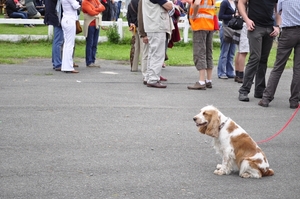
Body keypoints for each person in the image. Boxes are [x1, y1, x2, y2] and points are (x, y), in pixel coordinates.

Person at [258, 0, 300, 109]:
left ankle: (266, 98)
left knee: (278, 66)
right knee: (298, 69)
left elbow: (279, 11)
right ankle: (294, 100)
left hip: (288, 31)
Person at [238, 0, 280, 102]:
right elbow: (241, 3)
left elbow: (278, 9)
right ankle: (244, 90)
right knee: (255, 58)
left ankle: (259, 90)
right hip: (255, 27)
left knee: (263, 60)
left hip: (269, 28)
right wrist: (247, 20)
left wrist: (278, 26)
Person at [142, 0, 174, 88]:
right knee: (158, 54)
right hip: (157, 25)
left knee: (152, 53)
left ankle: (148, 77)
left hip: (152, 25)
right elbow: (169, 6)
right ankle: (153, 79)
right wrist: (172, 4)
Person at [186, 0, 215, 90]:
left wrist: (194, 15)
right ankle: (208, 80)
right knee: (208, 52)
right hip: (209, 24)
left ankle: (201, 81)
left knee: (200, 52)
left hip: (200, 24)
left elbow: (197, 3)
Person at [82, 0, 105, 68]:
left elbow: (103, 7)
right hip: (90, 25)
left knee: (94, 43)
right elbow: (91, 12)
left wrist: (95, 9)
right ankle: (89, 61)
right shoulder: (85, 2)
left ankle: (93, 60)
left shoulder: (96, 0)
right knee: (90, 43)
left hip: (96, 24)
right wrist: (98, 10)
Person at [217, 0, 236, 79]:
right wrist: (232, 16)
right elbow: (220, 16)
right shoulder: (225, 2)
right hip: (226, 28)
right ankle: (221, 72)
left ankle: (230, 71)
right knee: (224, 51)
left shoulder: (236, 3)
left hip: (234, 29)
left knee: (232, 51)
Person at [61, 0, 81, 73]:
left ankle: (65, 66)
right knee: (70, 44)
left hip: (66, 19)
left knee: (67, 44)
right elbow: (76, 6)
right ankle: (69, 67)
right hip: (70, 20)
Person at [44, 0, 64, 71]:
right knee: (58, 41)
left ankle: (56, 62)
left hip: (54, 16)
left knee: (58, 41)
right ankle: (57, 63)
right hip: (57, 17)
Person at [233, 0, 249, 84]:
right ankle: (241, 75)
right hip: (245, 25)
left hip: (240, 25)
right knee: (243, 51)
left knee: (239, 51)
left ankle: (237, 73)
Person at [126, 0, 143, 72]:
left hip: (134, 27)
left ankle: (134, 67)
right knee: (143, 48)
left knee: (135, 47)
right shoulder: (141, 3)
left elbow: (128, 16)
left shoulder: (130, 4)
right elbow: (141, 16)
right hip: (141, 27)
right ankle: (144, 66)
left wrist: (131, 24)